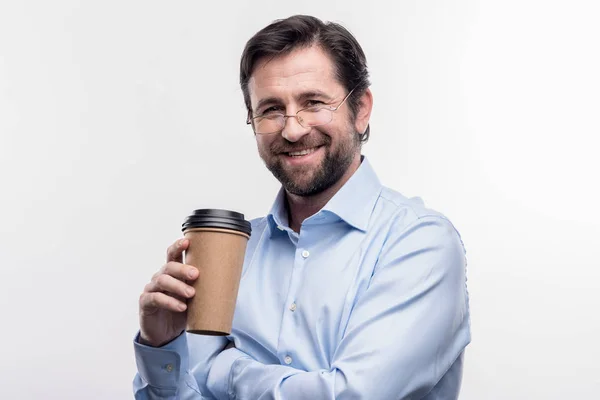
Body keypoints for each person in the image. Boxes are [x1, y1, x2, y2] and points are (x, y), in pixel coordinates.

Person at [133, 14, 470, 400]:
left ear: (360, 109)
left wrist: (221, 368)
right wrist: (161, 346)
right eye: (272, 109)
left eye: (313, 102)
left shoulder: (420, 244)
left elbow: (352, 395)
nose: (292, 129)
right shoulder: (234, 252)